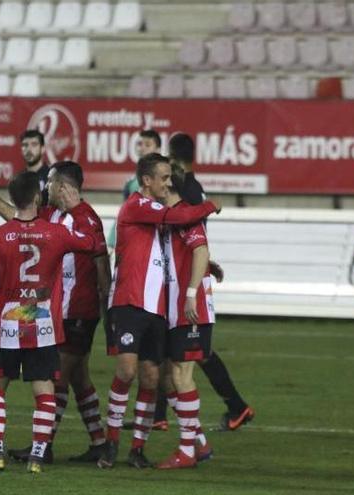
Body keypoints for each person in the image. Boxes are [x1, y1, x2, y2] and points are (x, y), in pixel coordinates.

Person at [98, 153, 220, 469]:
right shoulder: (139, 206)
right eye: (162, 177)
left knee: (155, 378)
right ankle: (111, 442)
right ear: (147, 181)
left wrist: (206, 264)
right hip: (128, 302)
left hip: (159, 309)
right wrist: (210, 206)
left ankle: (139, 448)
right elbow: (181, 222)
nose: (167, 183)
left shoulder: (161, 215)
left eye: (169, 178)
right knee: (128, 371)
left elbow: (182, 248)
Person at [0, 162, 111, 464]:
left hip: (78, 310)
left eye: (50, 182)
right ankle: (99, 441)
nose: (45, 187)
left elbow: (100, 260)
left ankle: (44, 447)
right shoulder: (49, 214)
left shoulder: (86, 217)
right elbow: (18, 222)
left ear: (63, 187)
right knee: (78, 378)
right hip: (47, 309)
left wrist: (106, 307)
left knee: (56, 379)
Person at [168, 132, 255, 432]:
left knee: (183, 359)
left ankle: (187, 431)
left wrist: (201, 264)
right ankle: (236, 407)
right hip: (193, 270)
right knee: (192, 355)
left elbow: (191, 233)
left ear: (174, 158)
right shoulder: (196, 188)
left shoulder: (186, 191)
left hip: (190, 280)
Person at [156, 170, 215, 469]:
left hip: (190, 307)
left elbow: (200, 250)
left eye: (164, 178)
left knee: (181, 375)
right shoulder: (171, 217)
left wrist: (191, 293)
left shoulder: (185, 215)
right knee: (168, 376)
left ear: (169, 186)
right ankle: (199, 442)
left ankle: (186, 451)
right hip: (173, 307)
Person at [106, 129, 161, 254]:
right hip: (133, 242)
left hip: (158, 241)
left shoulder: (165, 180)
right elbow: (123, 213)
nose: (142, 148)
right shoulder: (131, 183)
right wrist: (111, 242)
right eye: (140, 144)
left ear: (158, 149)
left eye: (147, 145)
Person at [20, 129, 49, 205]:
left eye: (34, 144)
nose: (29, 149)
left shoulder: (52, 178)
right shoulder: (18, 179)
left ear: (42, 149)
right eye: (25, 145)